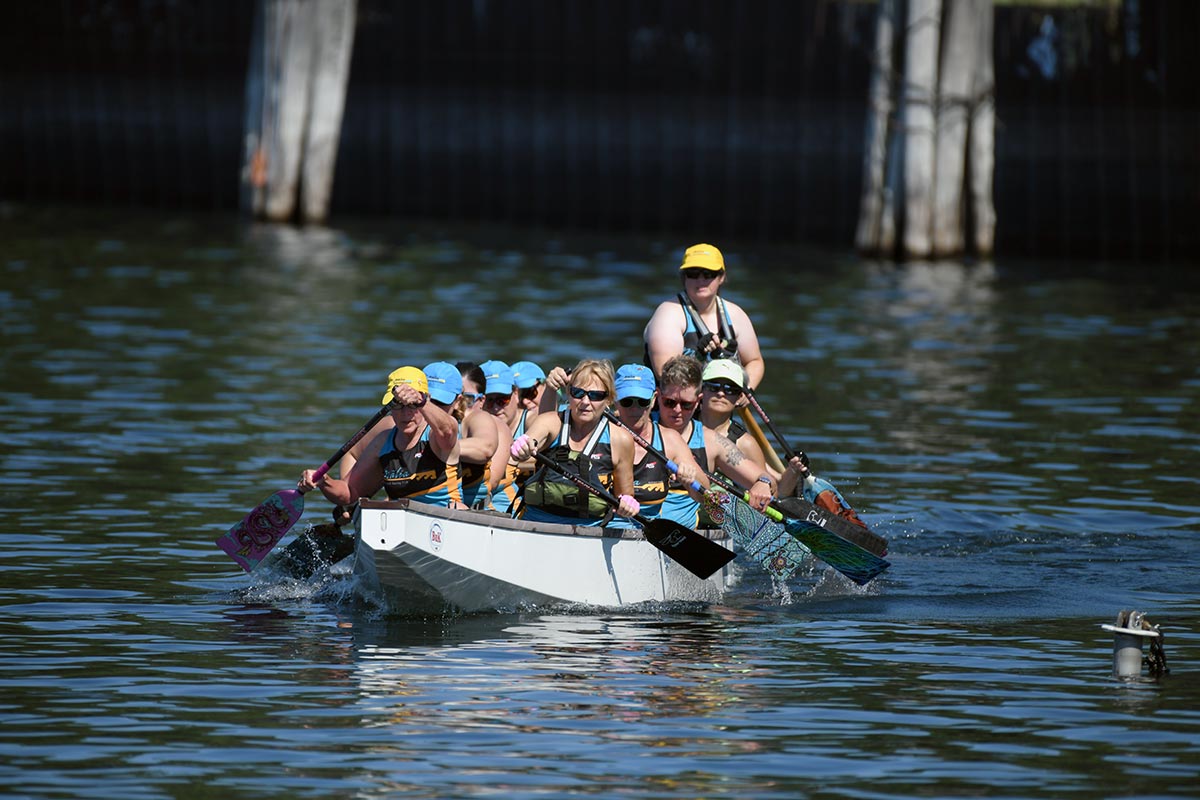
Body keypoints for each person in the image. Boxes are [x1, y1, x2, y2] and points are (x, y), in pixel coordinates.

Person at [299, 365, 473, 509]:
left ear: (424, 400)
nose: (406, 414)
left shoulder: (435, 434)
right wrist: (323, 482)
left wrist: (421, 401)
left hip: (445, 522)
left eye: (412, 406)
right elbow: (349, 493)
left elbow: (449, 430)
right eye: (398, 406)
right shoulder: (383, 442)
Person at [509, 358, 640, 527]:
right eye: (578, 393)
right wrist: (523, 446)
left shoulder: (620, 439)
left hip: (591, 528)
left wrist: (627, 505)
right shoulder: (551, 422)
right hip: (539, 522)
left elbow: (625, 494)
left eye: (595, 395)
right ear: (569, 393)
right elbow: (532, 438)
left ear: (609, 400)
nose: (585, 402)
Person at [654, 355, 778, 527]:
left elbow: (767, 479)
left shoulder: (712, 441)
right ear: (658, 397)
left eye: (686, 404)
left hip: (685, 534)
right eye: (669, 402)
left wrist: (763, 484)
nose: (677, 410)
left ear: (698, 401)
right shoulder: (639, 430)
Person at [643, 243, 766, 392]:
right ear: (684, 277)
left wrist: (743, 391)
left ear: (721, 277)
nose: (700, 280)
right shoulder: (668, 314)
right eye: (693, 273)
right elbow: (666, 376)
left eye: (708, 274)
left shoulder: (736, 315)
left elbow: (754, 361)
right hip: (676, 409)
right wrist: (699, 357)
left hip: (718, 406)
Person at [612, 363, 708, 522]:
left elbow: (705, 497)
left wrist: (691, 478)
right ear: (615, 399)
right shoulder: (599, 433)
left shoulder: (670, 440)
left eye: (642, 401)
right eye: (627, 402)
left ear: (654, 398)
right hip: (603, 529)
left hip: (649, 534)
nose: (635, 409)